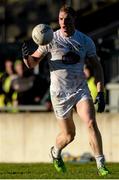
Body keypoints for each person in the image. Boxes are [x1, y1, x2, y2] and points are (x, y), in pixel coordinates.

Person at [22, 5, 109, 176]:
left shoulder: (85, 41)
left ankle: (101, 164)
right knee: (69, 135)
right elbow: (32, 63)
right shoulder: (49, 38)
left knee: (91, 122)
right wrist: (26, 58)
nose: (63, 22)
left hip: (80, 90)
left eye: (67, 19)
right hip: (59, 94)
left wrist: (100, 92)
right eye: (61, 19)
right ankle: (55, 152)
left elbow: (97, 68)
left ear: (74, 20)